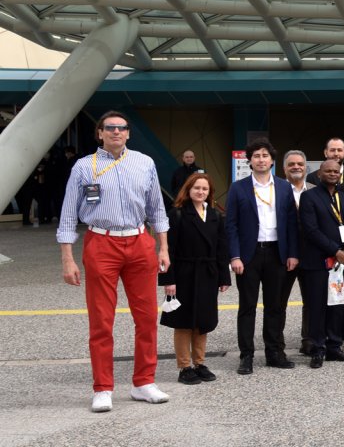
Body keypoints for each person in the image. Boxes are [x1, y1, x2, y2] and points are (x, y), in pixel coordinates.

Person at [57, 111, 171, 412]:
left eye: (122, 128)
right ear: (100, 133)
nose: (116, 132)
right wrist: (68, 258)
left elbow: (157, 209)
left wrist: (163, 248)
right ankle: (103, 387)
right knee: (101, 320)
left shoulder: (144, 163)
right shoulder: (84, 167)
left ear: (128, 134)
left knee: (146, 317)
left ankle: (144, 382)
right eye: (110, 128)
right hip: (101, 241)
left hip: (139, 240)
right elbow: (68, 214)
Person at [225, 139, 299, 374]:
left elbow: (291, 224)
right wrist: (234, 256)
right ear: (250, 161)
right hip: (249, 255)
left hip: (277, 252)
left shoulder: (284, 187)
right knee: (247, 306)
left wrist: (292, 253)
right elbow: (231, 226)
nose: (261, 159)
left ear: (272, 160)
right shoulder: (238, 188)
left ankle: (274, 352)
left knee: (275, 306)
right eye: (256, 156)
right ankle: (246, 355)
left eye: (265, 155)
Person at [160, 173, 231, 384]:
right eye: (197, 188)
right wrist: (168, 280)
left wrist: (223, 277)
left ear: (210, 193)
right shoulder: (178, 214)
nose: (201, 192)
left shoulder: (216, 216)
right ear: (188, 190)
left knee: (203, 321)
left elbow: (221, 248)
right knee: (183, 322)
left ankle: (199, 362)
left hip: (208, 273)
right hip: (183, 273)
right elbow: (168, 250)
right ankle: (184, 367)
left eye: (205, 189)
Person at [296, 159, 344, 368]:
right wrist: (335, 251)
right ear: (319, 174)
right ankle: (318, 348)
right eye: (328, 171)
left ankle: (334, 346)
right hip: (318, 262)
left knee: (338, 304)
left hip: (341, 264)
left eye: (336, 171)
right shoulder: (309, 197)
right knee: (317, 306)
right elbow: (310, 230)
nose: (333, 174)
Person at [278, 150, 315, 355]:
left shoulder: (314, 190)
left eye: (300, 164)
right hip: (283, 256)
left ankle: (308, 340)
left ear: (305, 167)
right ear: (284, 168)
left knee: (311, 301)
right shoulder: (277, 191)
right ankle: (277, 345)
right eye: (291, 164)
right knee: (278, 302)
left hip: (310, 256)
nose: (296, 167)